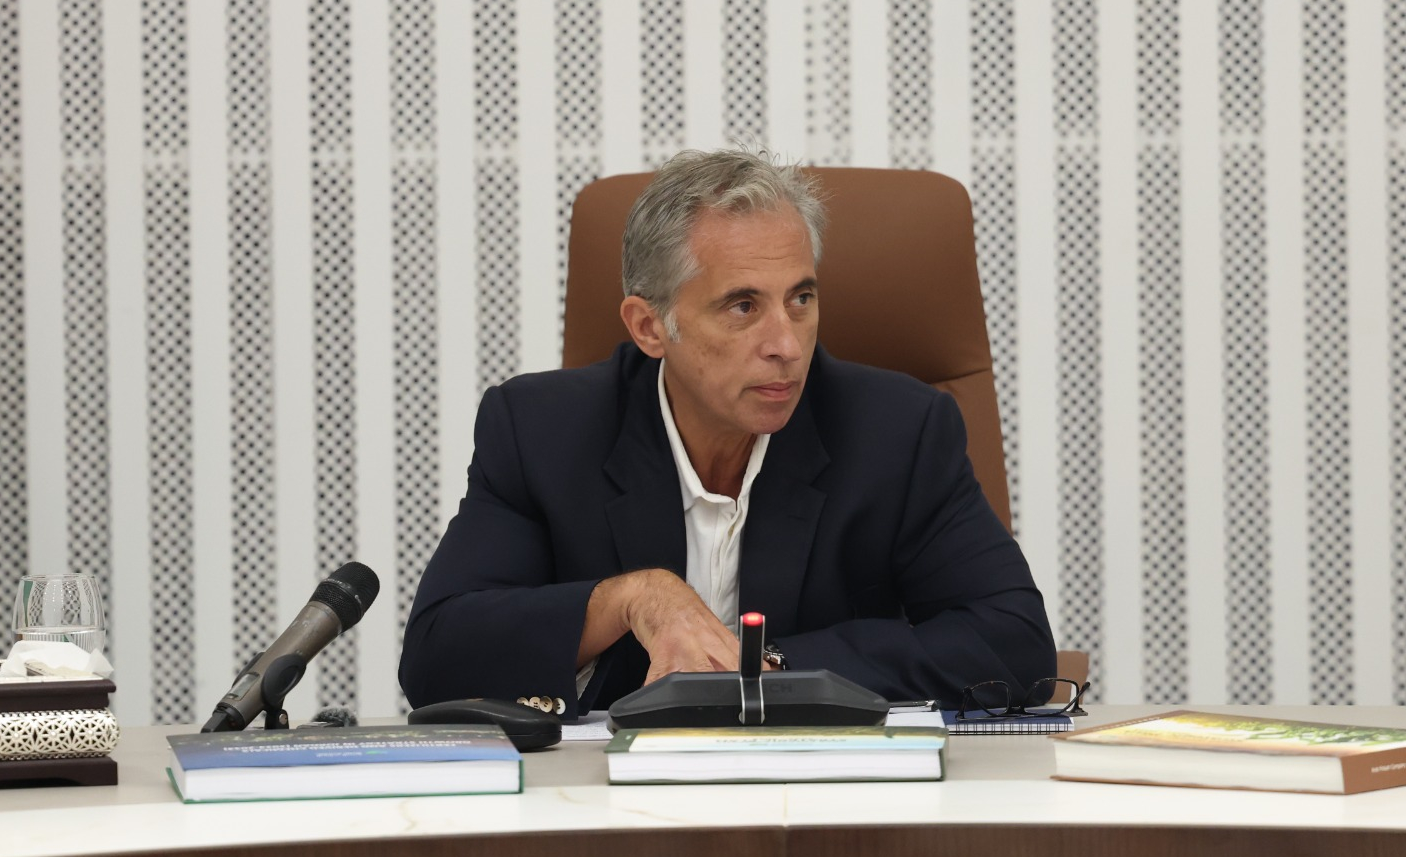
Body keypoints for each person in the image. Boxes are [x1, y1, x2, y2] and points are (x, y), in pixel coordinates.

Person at [400, 148, 1055, 713]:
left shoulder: (899, 432)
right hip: (614, 800)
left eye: (801, 299)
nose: (786, 345)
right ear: (649, 327)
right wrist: (634, 598)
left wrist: (761, 666)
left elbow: (1014, 643)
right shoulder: (541, 431)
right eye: (743, 306)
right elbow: (437, 657)